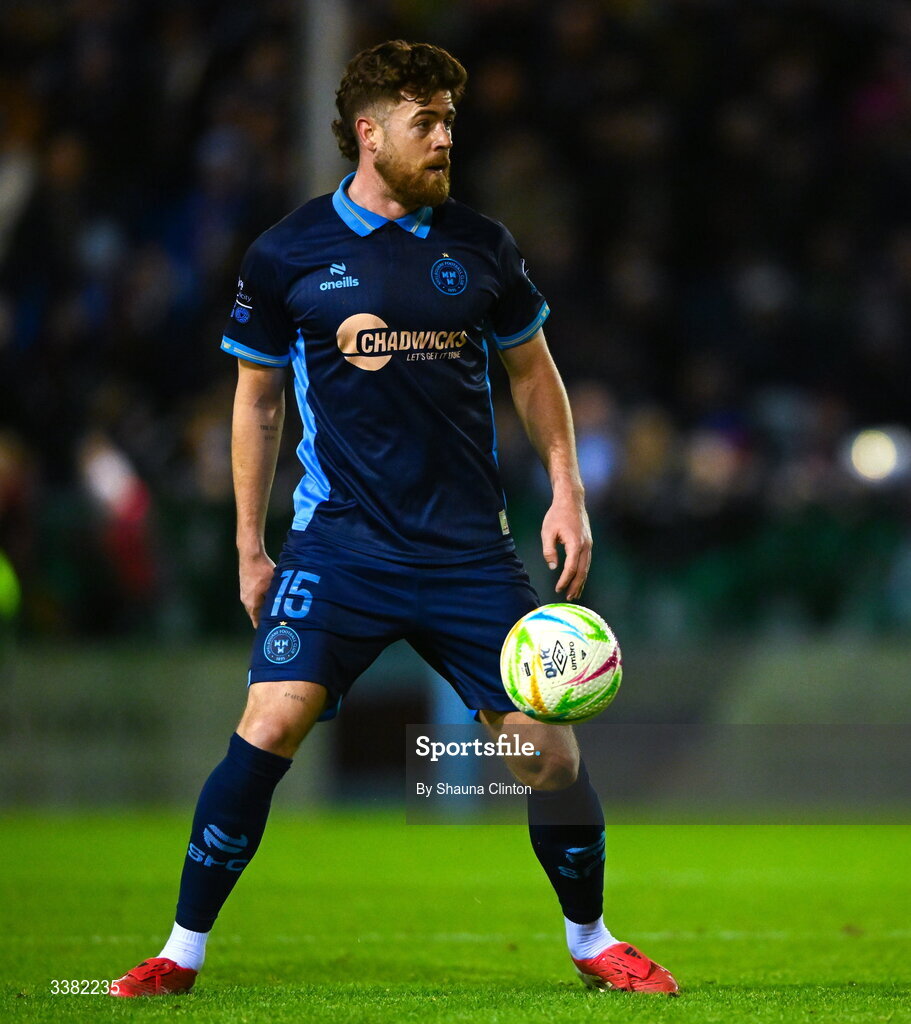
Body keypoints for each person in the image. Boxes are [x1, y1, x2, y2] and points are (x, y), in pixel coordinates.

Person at [110, 40, 678, 998]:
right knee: (272, 717)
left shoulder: (482, 246)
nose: (446, 137)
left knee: (545, 752)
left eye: (451, 119)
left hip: (469, 552)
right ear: (370, 133)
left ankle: (592, 942)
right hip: (341, 546)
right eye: (428, 121)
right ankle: (179, 953)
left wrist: (568, 492)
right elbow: (255, 405)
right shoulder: (286, 254)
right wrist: (251, 546)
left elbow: (532, 373)